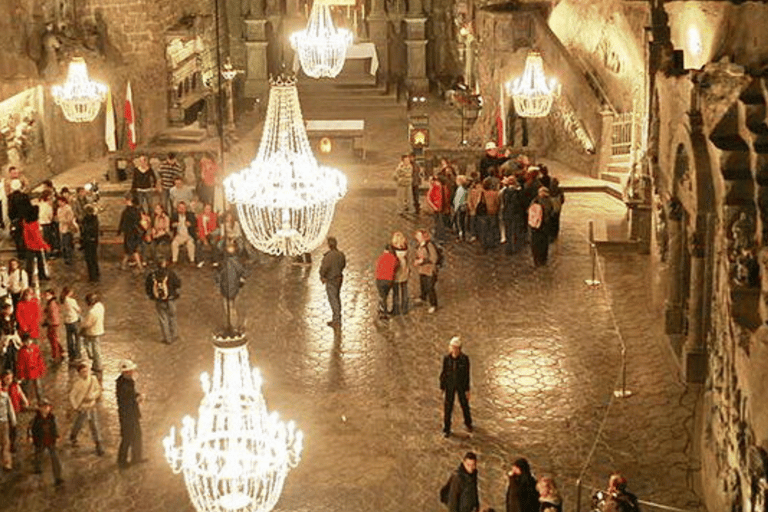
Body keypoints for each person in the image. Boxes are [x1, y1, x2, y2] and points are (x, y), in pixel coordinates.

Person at [440, 336, 472, 437]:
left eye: (456, 348)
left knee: (464, 404)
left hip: (461, 385)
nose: (454, 350)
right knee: (448, 407)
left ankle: (468, 422)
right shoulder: (446, 358)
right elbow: (444, 373)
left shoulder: (464, 359)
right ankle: (447, 428)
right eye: (453, 347)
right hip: (449, 385)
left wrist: (467, 389)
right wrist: (442, 386)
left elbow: (467, 375)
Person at [68, 363, 104, 456]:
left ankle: (98, 444)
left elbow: (98, 390)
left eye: (86, 371)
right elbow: (72, 396)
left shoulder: (93, 379)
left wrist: (93, 396)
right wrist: (76, 406)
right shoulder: (77, 384)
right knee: (79, 423)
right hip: (83, 407)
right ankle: (73, 435)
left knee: (94, 425)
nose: (85, 373)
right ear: (79, 373)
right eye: (83, 372)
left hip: (91, 406)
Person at [145, 258, 182, 345]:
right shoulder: (171, 273)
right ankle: (174, 334)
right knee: (172, 316)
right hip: (170, 299)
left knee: (163, 318)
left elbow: (148, 288)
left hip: (159, 300)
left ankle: (167, 338)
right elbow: (178, 284)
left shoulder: (152, 275)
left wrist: (152, 296)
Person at [29, 399, 64, 486]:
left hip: (50, 440)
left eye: (46, 407)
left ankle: (57, 477)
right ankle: (38, 468)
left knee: (55, 458)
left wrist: (57, 436)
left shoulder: (52, 418)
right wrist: (30, 437)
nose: (45, 409)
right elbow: (31, 429)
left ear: (49, 408)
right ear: (40, 408)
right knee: (38, 455)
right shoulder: (36, 419)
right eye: (43, 407)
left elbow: (55, 428)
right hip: (40, 440)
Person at [116, 359, 144, 468]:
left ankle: (137, 457)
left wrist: (137, 395)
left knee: (137, 436)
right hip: (127, 416)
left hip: (132, 414)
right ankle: (122, 460)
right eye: (131, 370)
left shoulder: (127, 381)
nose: (133, 372)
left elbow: (132, 394)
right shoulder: (123, 385)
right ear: (126, 372)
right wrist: (138, 398)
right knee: (127, 438)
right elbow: (127, 400)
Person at [216, 244, 247, 331]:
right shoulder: (235, 263)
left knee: (229, 308)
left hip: (227, 289)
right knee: (232, 308)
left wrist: (218, 285)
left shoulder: (224, 264)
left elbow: (218, 276)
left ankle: (233, 326)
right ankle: (232, 325)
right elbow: (243, 273)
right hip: (233, 289)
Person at [319, 236, 346, 329]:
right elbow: (343, 264)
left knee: (333, 300)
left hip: (331, 279)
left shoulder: (328, 256)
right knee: (337, 298)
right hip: (339, 278)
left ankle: (336, 320)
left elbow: (324, 268)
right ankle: (337, 318)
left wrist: (322, 276)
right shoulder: (341, 254)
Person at [1, 370, 26, 455]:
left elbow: (20, 393)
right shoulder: (1, 387)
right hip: (3, 411)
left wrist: (25, 401)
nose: (9, 379)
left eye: (10, 378)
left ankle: (12, 444)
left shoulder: (15, 386)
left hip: (14, 409)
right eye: (7, 378)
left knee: (13, 428)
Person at [413, 229, 439, 313]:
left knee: (430, 287)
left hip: (430, 270)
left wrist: (422, 261)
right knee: (423, 284)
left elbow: (434, 258)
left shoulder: (429, 245)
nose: (416, 237)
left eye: (418, 235)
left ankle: (433, 304)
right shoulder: (419, 245)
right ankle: (422, 297)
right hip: (422, 270)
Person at [80, 293, 104, 378]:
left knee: (92, 348)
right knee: (96, 347)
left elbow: (87, 324)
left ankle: (97, 364)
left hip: (92, 332)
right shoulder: (100, 306)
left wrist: (81, 323)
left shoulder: (92, 312)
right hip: (99, 330)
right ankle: (96, 364)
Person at [118, 195, 144, 271]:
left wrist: (120, 231)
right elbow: (139, 220)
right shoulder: (136, 210)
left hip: (129, 233)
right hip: (134, 232)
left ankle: (126, 265)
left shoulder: (126, 211)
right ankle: (138, 266)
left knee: (130, 250)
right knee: (132, 250)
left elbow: (122, 222)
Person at [529, 187, 553, 267]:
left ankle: (538, 260)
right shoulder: (548, 201)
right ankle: (542, 260)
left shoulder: (536, 201)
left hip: (537, 226)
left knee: (538, 243)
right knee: (542, 243)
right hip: (543, 225)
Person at [374, 245, 398, 320]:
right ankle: (383, 310)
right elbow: (396, 266)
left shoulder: (381, 257)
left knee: (382, 296)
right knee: (385, 295)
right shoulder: (394, 258)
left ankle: (383, 312)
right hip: (389, 280)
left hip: (380, 279)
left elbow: (377, 266)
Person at [171, 201, 197, 266]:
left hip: (187, 235)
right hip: (179, 235)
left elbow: (194, 224)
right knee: (174, 244)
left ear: (186, 208)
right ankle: (174, 261)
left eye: (183, 208)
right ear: (177, 208)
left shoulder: (190, 215)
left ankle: (192, 260)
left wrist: (190, 224)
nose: (182, 209)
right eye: (180, 208)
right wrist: (174, 225)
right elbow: (170, 225)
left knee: (190, 244)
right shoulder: (174, 215)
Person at [60, 287, 81, 365]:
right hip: (73, 320)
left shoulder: (62, 301)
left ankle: (71, 354)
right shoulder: (72, 301)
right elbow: (78, 309)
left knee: (69, 338)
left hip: (66, 321)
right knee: (77, 338)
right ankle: (77, 354)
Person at [42, 289, 63, 364]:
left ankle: (56, 357)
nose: (46, 297)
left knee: (53, 340)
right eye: (45, 295)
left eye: (48, 295)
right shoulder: (51, 303)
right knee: (55, 339)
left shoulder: (52, 304)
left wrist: (47, 322)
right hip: (53, 324)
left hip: (53, 324)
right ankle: (60, 352)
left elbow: (53, 316)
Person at [391, 232, 410, 316]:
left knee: (395, 292)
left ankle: (396, 308)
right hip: (404, 271)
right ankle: (405, 307)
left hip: (397, 273)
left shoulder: (394, 251)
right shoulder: (405, 249)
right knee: (404, 290)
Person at [56, 195, 78, 265]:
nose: (59, 203)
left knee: (67, 244)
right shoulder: (59, 209)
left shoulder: (68, 209)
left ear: (64, 202)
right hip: (61, 228)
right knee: (63, 244)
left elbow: (70, 219)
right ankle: (65, 258)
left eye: (60, 202)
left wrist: (62, 220)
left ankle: (69, 258)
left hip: (67, 228)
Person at [81, 205, 100, 282]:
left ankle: (93, 276)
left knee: (89, 259)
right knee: (94, 258)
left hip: (88, 240)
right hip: (93, 240)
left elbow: (86, 229)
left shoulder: (87, 219)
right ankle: (96, 273)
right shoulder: (95, 218)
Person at [0, 380, 16, 471]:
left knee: (5, 443)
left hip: (3, 422)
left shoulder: (5, 396)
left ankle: (7, 463)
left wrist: (13, 420)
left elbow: (10, 409)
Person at [196, 203, 218, 267]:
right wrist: (203, 239)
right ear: (204, 209)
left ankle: (215, 260)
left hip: (210, 233)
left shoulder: (213, 216)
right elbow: (199, 228)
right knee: (198, 243)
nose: (208, 211)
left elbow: (213, 228)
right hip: (202, 234)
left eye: (209, 209)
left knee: (213, 242)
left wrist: (208, 222)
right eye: (206, 209)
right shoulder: (200, 217)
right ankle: (200, 260)